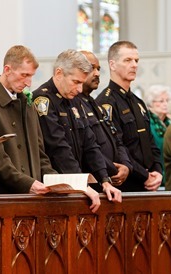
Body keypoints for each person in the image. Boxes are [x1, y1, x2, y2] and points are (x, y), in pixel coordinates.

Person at [0, 45, 101, 213]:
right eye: (24, 75)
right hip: (2, 197)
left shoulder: (27, 101)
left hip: (32, 197)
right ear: (7, 69)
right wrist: (28, 184)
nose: (28, 82)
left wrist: (65, 184)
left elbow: (41, 155)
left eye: (31, 76)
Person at [32, 49, 122, 203]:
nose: (80, 89)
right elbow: (58, 147)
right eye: (76, 82)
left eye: (82, 82)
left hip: (77, 184)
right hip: (56, 188)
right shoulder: (43, 100)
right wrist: (80, 184)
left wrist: (104, 180)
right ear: (59, 73)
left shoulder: (76, 99)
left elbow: (90, 144)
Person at [96, 41, 163, 192]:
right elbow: (117, 146)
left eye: (136, 60)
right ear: (112, 65)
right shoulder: (106, 102)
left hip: (150, 182)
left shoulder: (137, 102)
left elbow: (150, 142)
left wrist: (158, 171)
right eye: (127, 60)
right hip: (128, 183)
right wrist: (144, 175)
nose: (134, 65)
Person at [79, 50, 132, 188]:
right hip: (96, 181)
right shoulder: (75, 105)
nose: (97, 73)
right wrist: (112, 169)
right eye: (91, 68)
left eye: (98, 69)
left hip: (111, 180)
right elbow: (89, 147)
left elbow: (117, 139)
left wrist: (126, 165)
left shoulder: (95, 104)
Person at [144, 84, 171, 186]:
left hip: (169, 173)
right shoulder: (148, 122)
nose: (166, 104)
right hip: (156, 172)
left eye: (167, 100)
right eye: (161, 101)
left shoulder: (169, 123)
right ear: (151, 104)